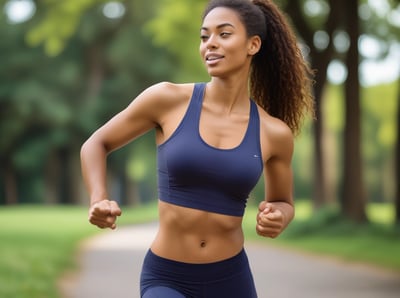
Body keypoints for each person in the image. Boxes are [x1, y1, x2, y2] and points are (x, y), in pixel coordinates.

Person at [80, 0, 314, 297]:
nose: (210, 45)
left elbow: (283, 201)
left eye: (224, 34)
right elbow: (95, 144)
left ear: (253, 45)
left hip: (231, 279)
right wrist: (98, 199)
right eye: (205, 37)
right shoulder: (167, 100)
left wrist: (279, 216)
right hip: (167, 277)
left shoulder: (274, 132)